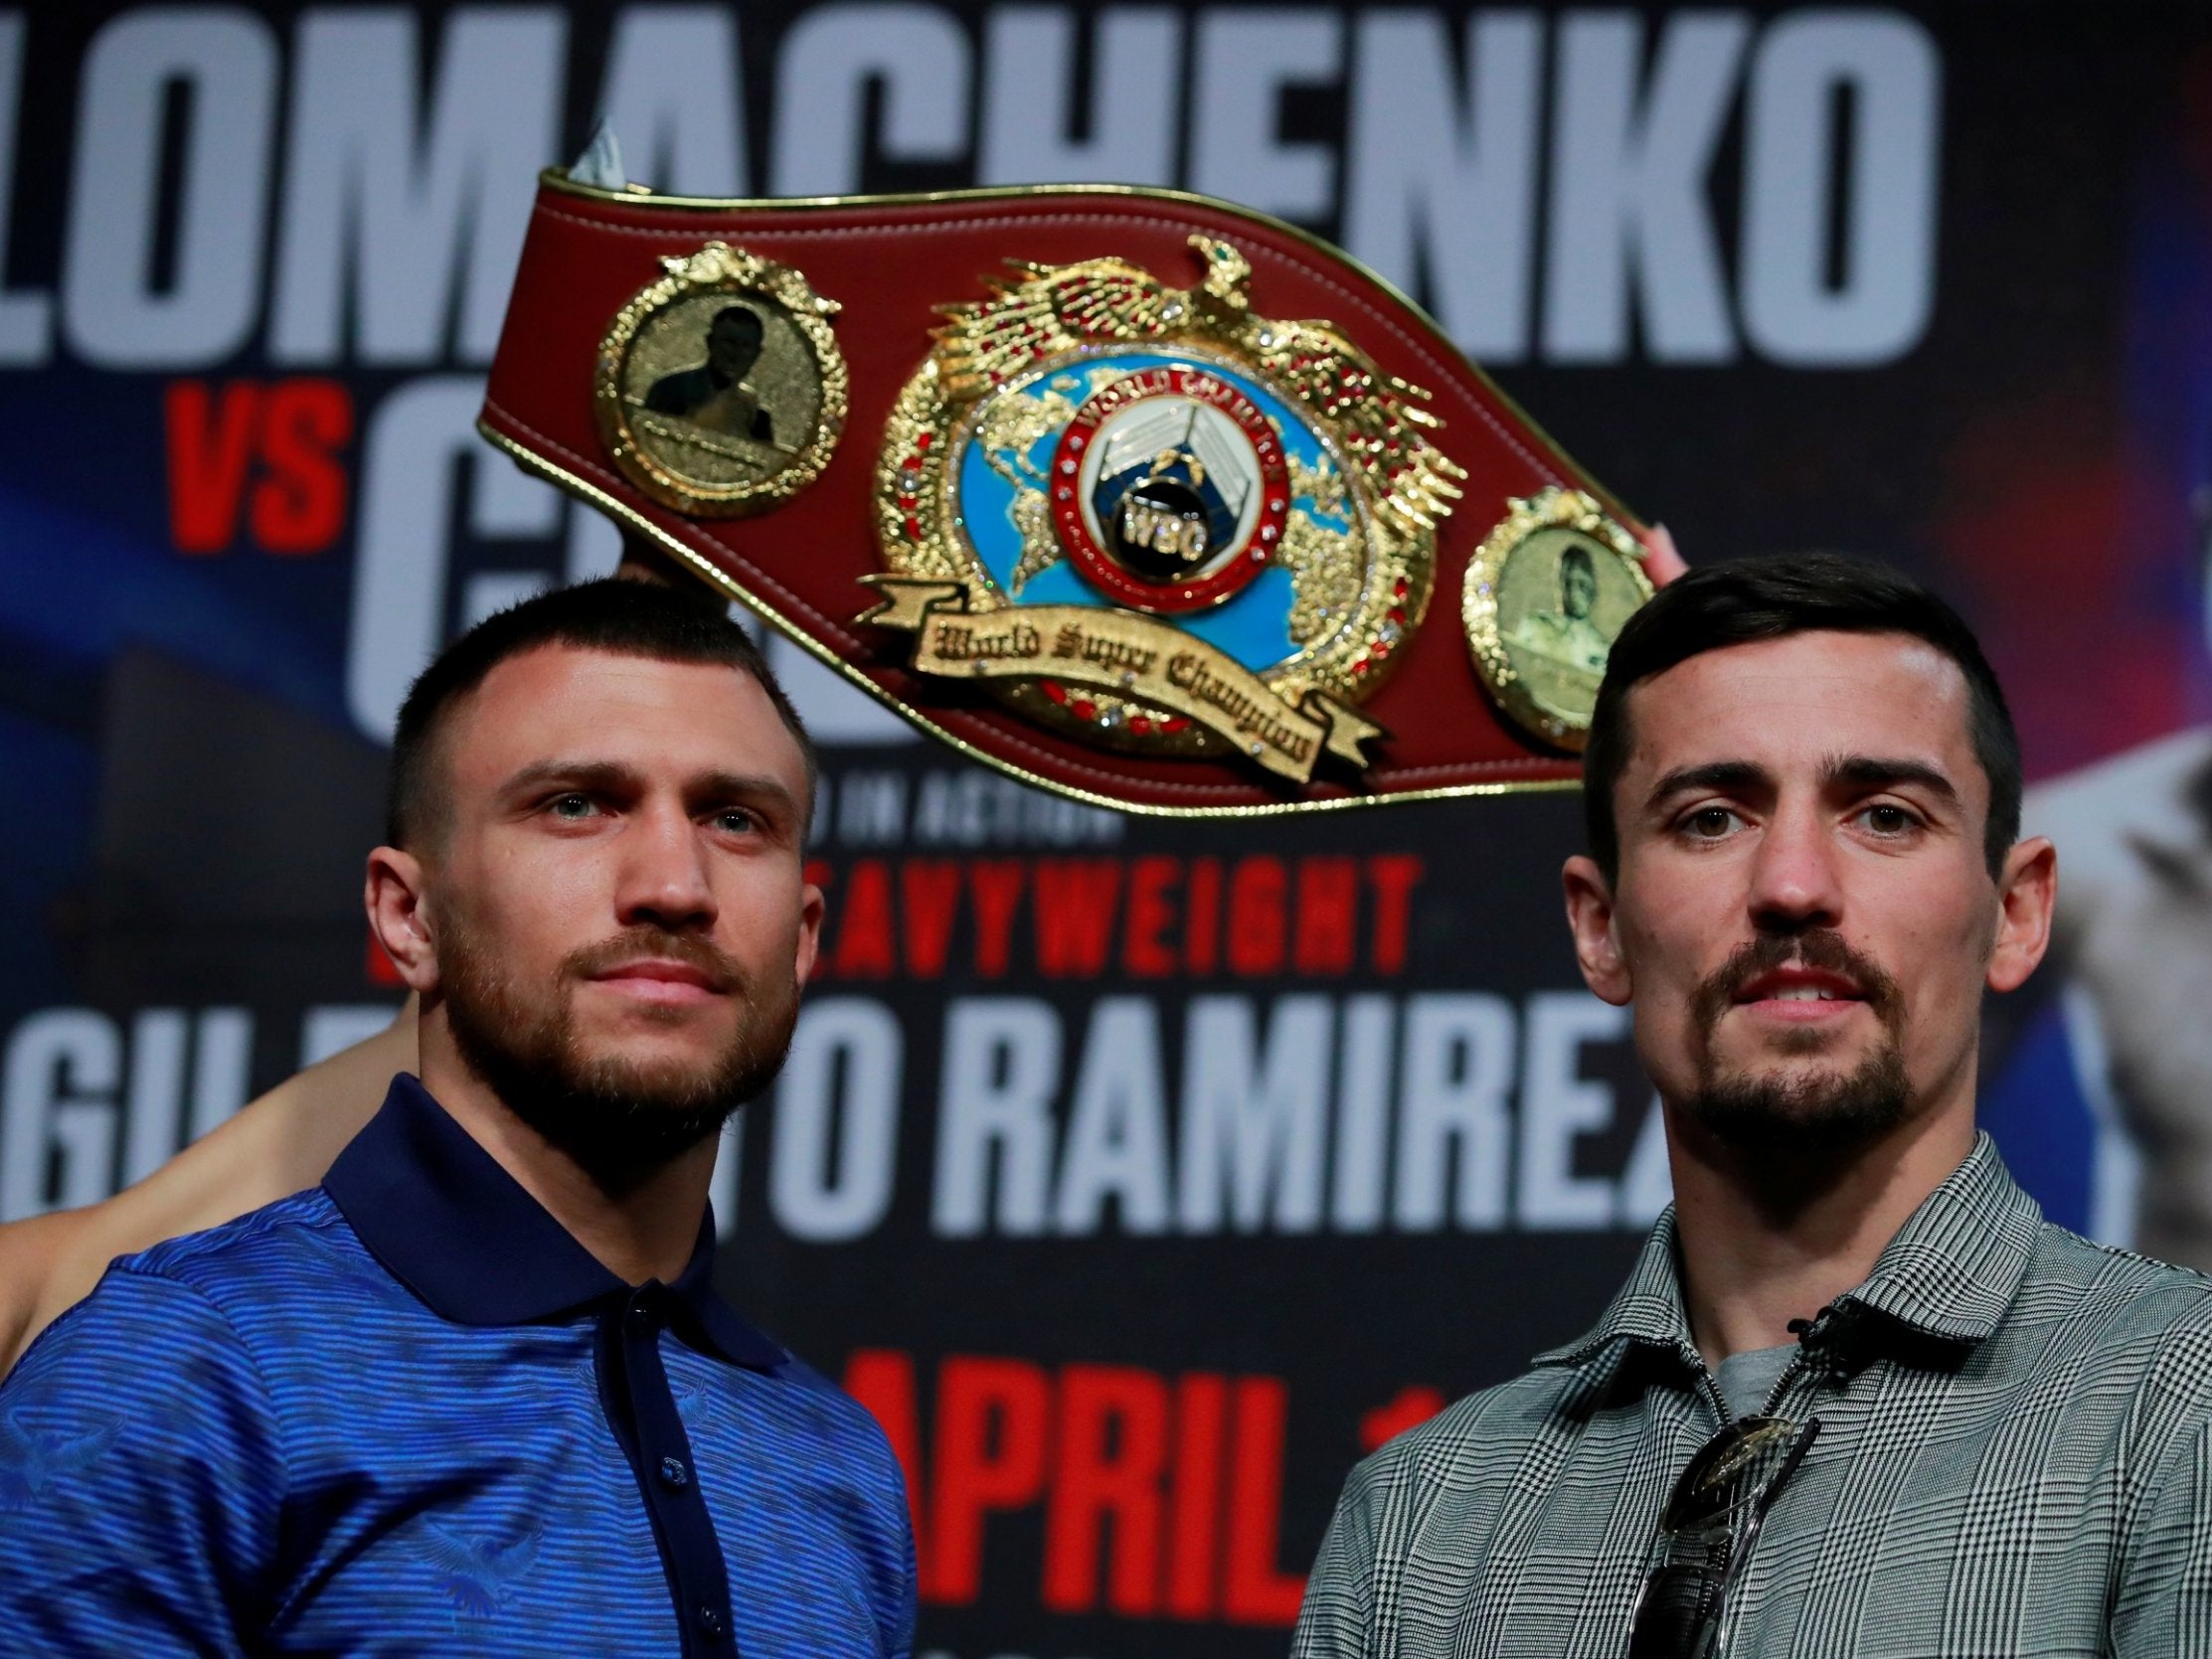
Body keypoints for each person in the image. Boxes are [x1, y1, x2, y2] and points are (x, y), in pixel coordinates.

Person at [1292, 555, 2212, 1657]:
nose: (1789, 884)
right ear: (1598, 926)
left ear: (2015, 913)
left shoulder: (2177, 1407)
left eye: (1880, 814)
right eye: (1710, 818)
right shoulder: (1414, 1526)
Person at [0, 579, 914, 1656]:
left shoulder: (835, 1459)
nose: (675, 882)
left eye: (734, 818)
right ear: (407, 914)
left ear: (802, 939)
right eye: (575, 803)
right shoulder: (184, 1368)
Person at [645, 305, 776, 444]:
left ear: (757, 354)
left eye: (746, 346)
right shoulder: (670, 390)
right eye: (729, 342)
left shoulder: (757, 417)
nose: (735, 354)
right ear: (710, 342)